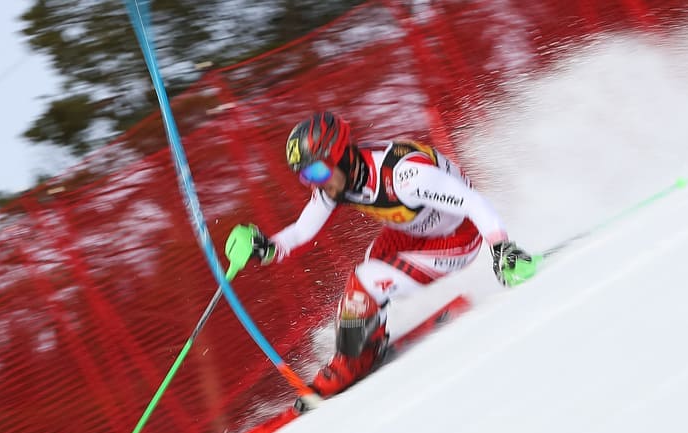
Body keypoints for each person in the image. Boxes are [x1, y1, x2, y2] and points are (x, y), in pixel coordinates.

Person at [227, 111, 535, 398]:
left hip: (455, 237)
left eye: (317, 172)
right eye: (306, 177)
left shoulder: (405, 175)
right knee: (369, 267)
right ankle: (368, 343)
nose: (316, 183)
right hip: (411, 232)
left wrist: (500, 247)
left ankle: (350, 362)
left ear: (341, 155)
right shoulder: (335, 181)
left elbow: (472, 201)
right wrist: (266, 247)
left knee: (364, 281)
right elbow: (302, 230)